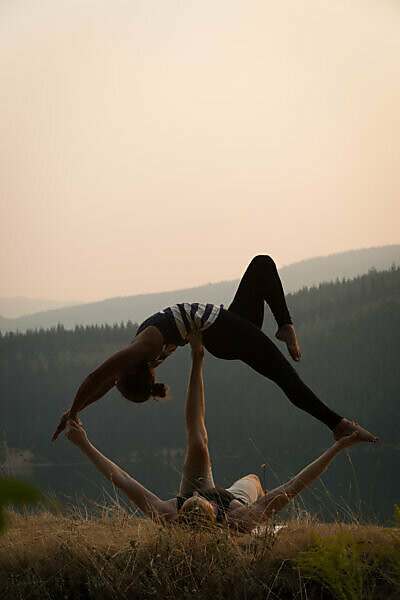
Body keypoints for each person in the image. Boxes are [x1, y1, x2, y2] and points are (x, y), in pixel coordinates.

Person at [53, 255, 378, 443]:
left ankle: (285, 325)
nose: (114, 379)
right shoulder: (144, 347)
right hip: (223, 334)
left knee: (262, 265)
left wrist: (76, 411)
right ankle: (339, 426)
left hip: (229, 322)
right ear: (128, 374)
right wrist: (74, 408)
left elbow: (102, 382)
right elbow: (98, 375)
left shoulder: (143, 354)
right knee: (284, 377)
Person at [65, 334, 368, 532]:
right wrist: (338, 447)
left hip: (204, 508)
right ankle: (254, 481)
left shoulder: (170, 512)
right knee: (253, 481)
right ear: (212, 510)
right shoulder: (240, 519)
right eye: (200, 499)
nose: (196, 494)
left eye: (192, 498)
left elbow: (123, 480)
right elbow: (294, 484)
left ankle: (198, 360)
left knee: (198, 444)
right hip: (235, 498)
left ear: (185, 507)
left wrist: (84, 444)